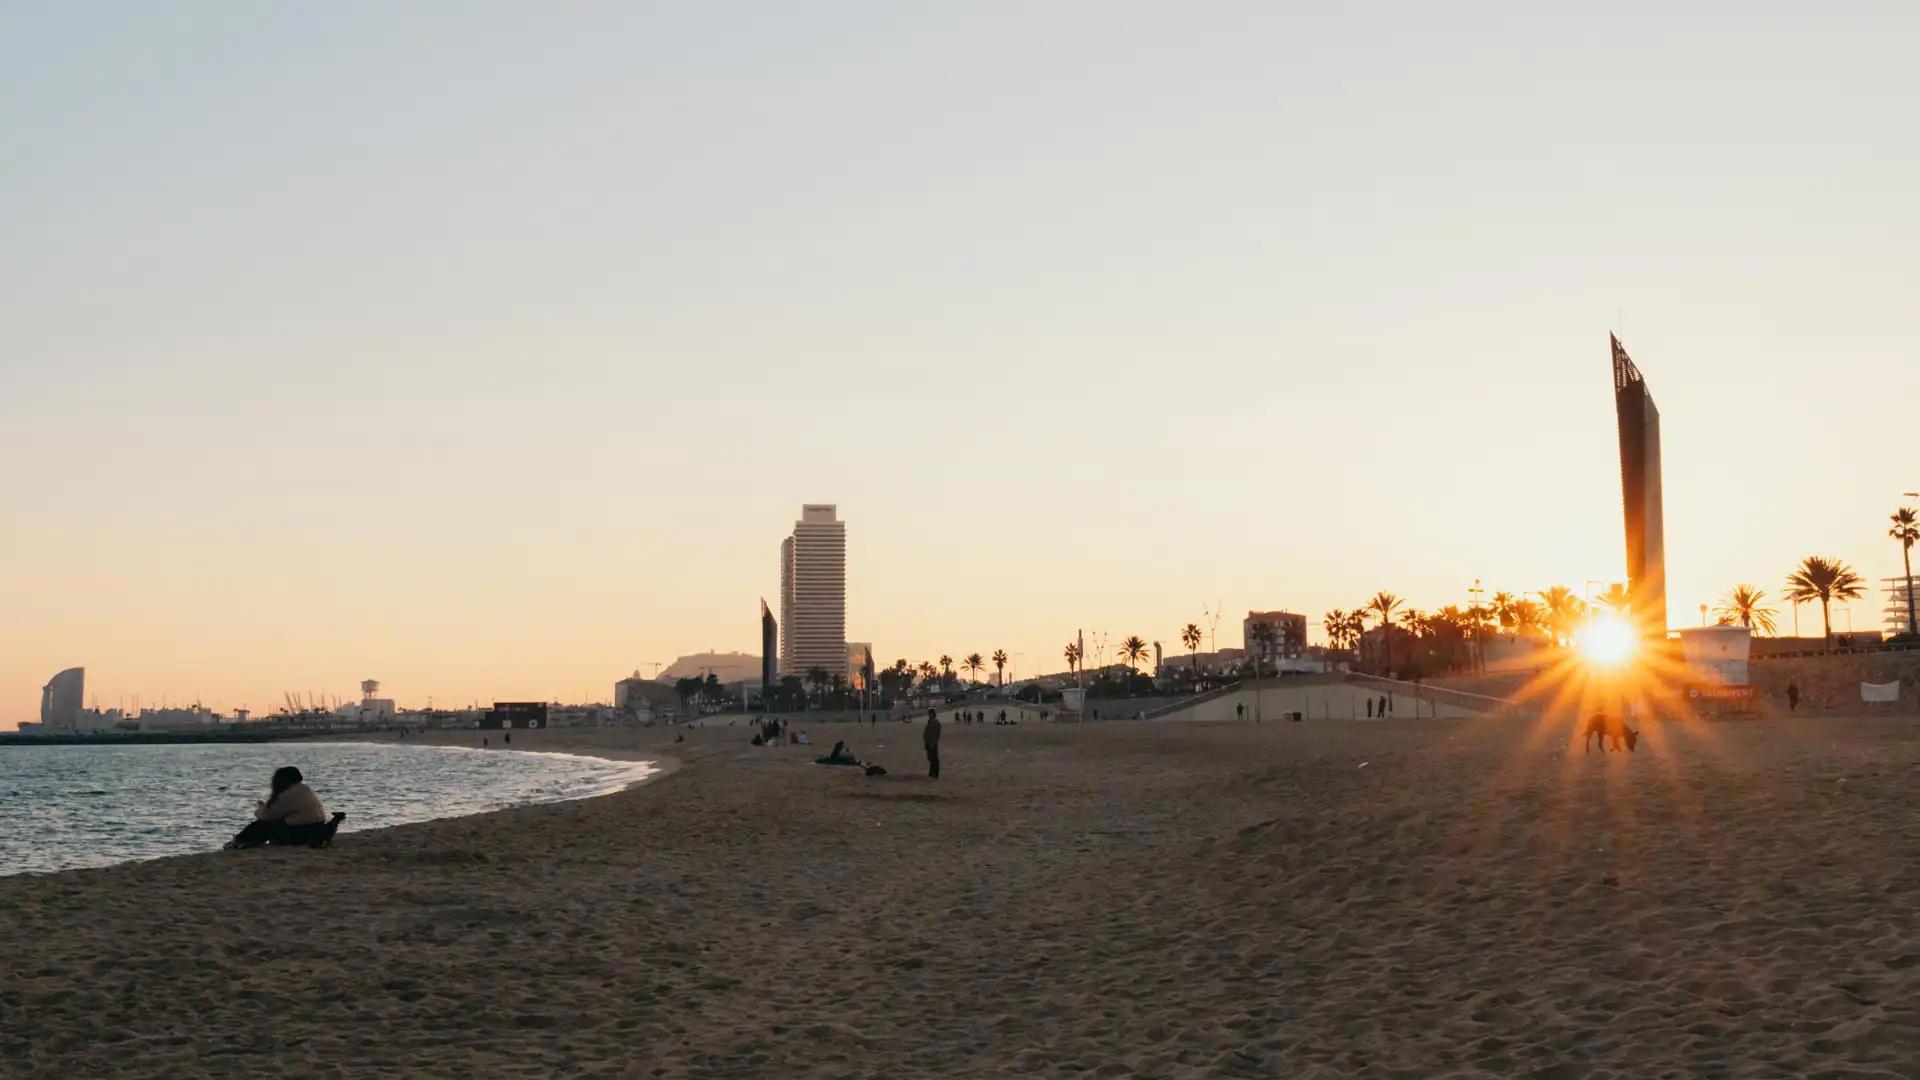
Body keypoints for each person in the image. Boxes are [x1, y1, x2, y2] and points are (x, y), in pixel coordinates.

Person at [225, 766, 330, 849]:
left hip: (301, 834)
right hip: (317, 830)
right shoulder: (305, 789)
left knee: (262, 825)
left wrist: (260, 808)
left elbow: (266, 816)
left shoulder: (288, 795)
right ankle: (244, 841)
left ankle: (239, 841)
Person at [923, 708, 942, 779]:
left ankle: (935, 773)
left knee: (934, 758)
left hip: (932, 742)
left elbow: (935, 734)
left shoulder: (935, 722)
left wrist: (932, 742)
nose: (929, 715)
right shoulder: (931, 721)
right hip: (929, 742)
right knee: (931, 758)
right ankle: (931, 773)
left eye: (930, 714)